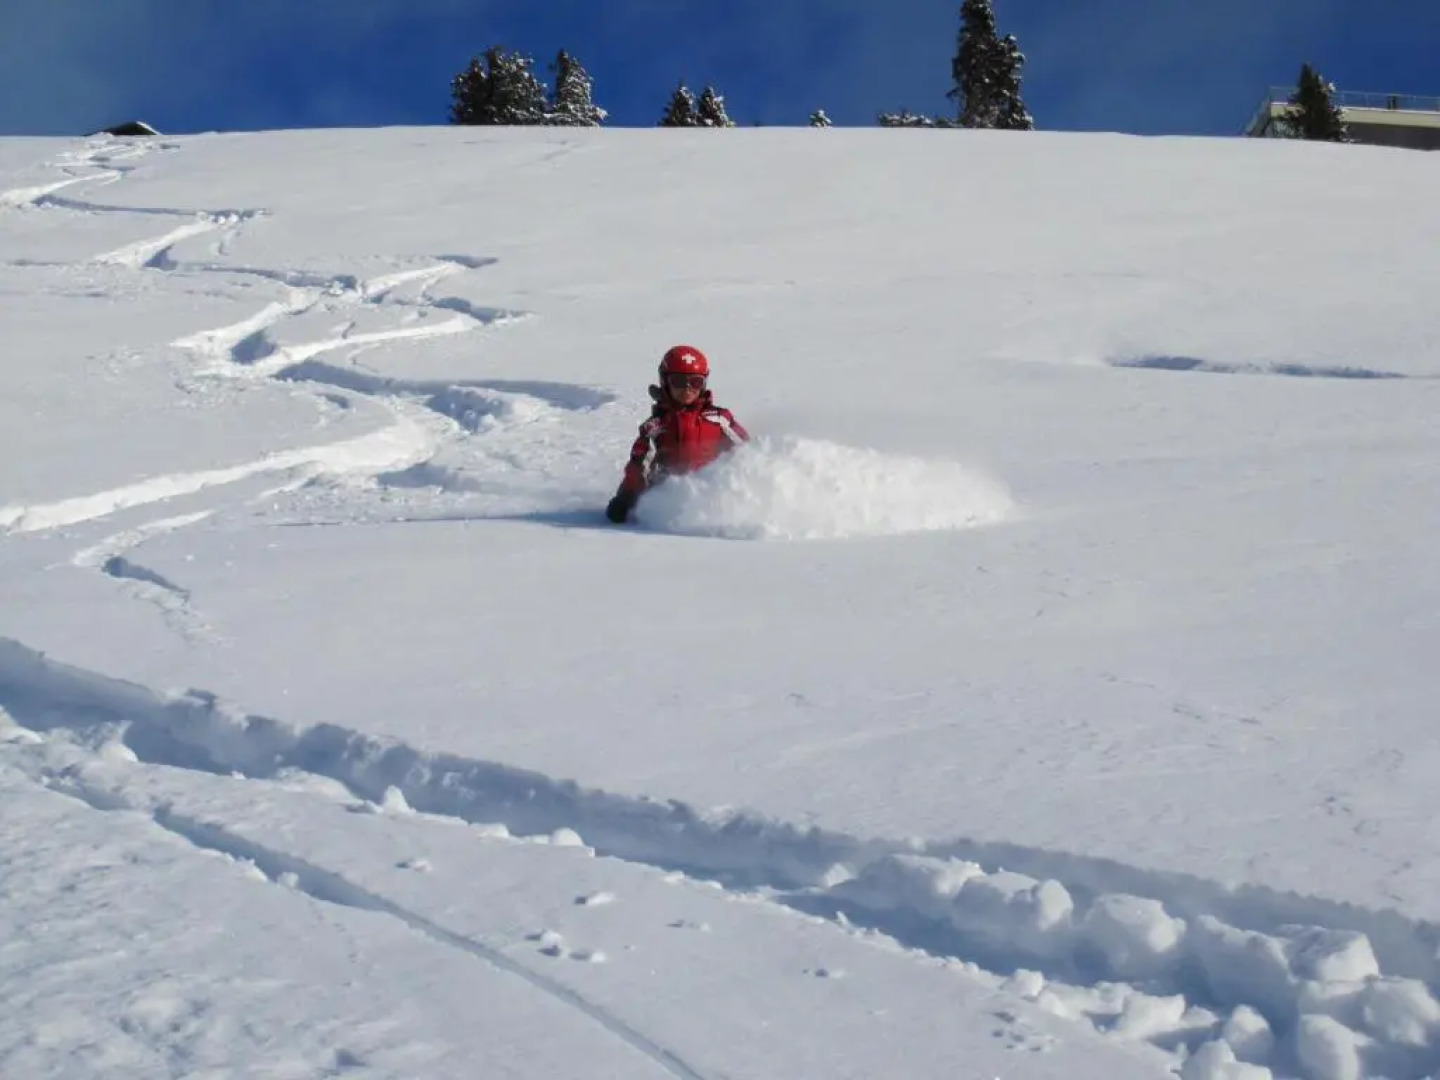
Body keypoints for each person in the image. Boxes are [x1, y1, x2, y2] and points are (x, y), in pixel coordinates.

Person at [606, 345, 750, 523]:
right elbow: (639, 466)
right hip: (669, 497)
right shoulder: (655, 426)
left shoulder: (719, 418)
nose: (687, 388)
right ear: (665, 381)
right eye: (679, 381)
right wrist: (625, 497)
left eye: (695, 382)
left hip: (710, 496)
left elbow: (746, 450)